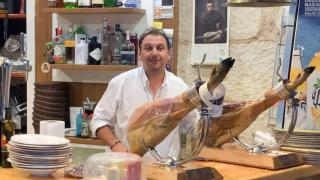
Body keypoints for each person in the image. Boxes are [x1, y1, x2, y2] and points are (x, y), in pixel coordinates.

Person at [91, 27, 196, 162]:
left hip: (164, 171)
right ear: (139, 53)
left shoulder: (180, 87)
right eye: (148, 48)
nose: (154, 53)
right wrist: (116, 145)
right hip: (125, 168)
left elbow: (192, 126)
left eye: (160, 48)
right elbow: (99, 120)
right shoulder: (120, 83)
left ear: (169, 53)